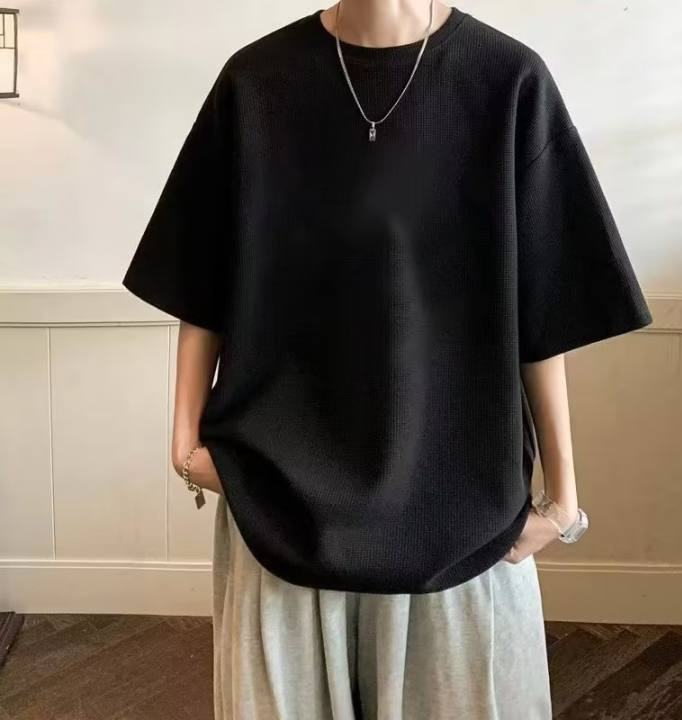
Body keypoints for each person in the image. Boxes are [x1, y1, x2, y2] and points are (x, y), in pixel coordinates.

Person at [121, 1, 653, 718]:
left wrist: (563, 499)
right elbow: (201, 280)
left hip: (462, 510)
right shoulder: (255, 84)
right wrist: (184, 446)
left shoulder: (508, 82)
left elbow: (542, 307)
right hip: (278, 504)